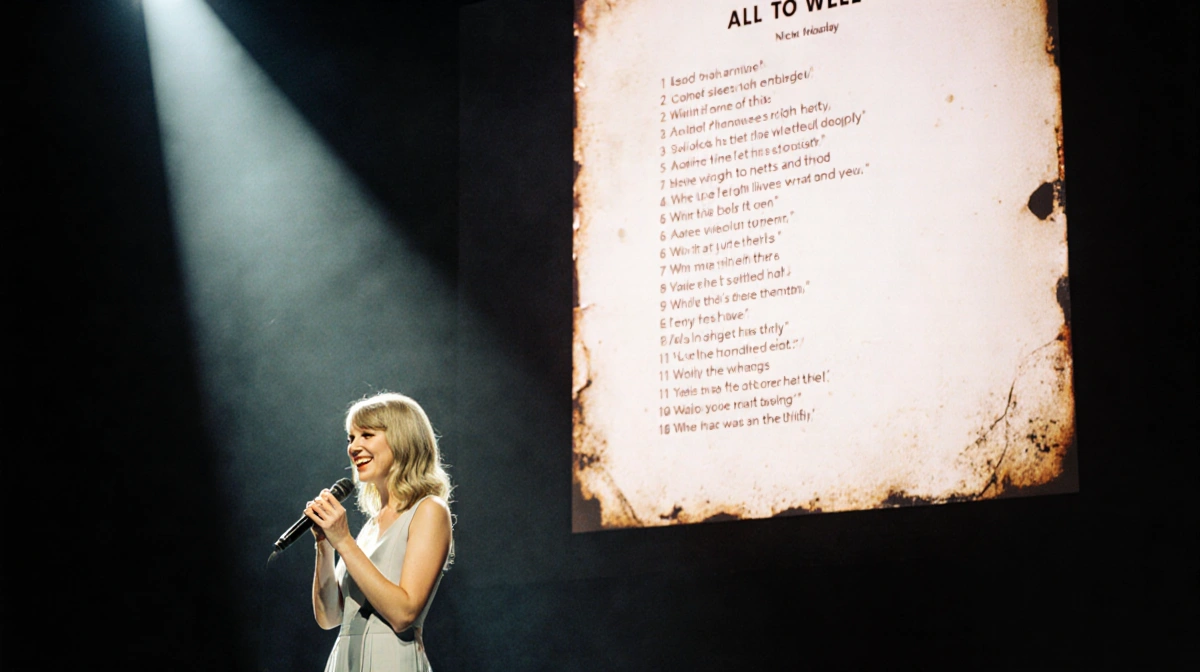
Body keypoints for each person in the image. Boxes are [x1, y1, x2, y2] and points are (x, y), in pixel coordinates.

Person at [306, 393, 454, 672]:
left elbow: (404, 613)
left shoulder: (429, 510)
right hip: (344, 660)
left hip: (391, 660)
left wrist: (343, 541)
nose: (354, 447)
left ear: (402, 439)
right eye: (350, 438)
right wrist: (325, 544)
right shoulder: (371, 526)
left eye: (367, 434)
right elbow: (330, 618)